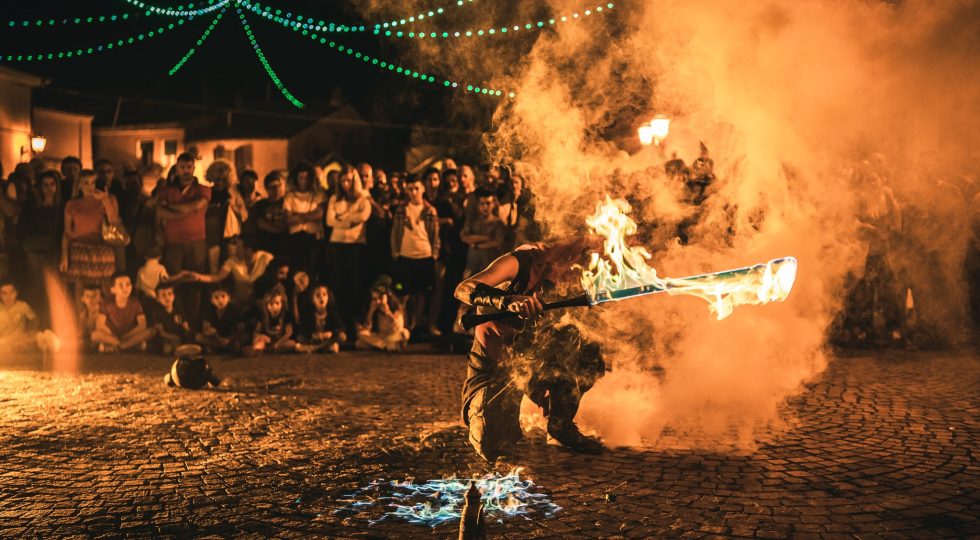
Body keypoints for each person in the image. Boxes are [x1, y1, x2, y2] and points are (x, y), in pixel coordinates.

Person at [454, 238, 606, 460]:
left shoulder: (577, 275)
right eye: (581, 249)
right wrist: (508, 300)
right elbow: (463, 288)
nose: (585, 256)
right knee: (491, 444)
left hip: (534, 365)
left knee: (588, 344)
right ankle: (489, 414)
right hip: (497, 371)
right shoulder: (519, 263)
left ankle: (560, 424)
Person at [156, 152, 211, 327]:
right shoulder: (165, 191)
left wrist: (171, 207)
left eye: (189, 167)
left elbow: (197, 205)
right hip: (173, 243)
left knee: (194, 283)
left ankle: (193, 325)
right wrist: (189, 210)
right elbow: (160, 213)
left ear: (194, 168)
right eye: (182, 167)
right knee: (174, 283)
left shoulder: (204, 189)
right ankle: (179, 323)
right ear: (177, 168)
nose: (186, 170)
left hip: (197, 242)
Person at [325, 165, 372, 338]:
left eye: (350, 181)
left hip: (355, 245)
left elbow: (363, 217)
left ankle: (354, 323)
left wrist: (342, 218)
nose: (346, 184)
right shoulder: (334, 199)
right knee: (338, 284)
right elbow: (329, 221)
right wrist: (349, 221)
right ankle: (341, 324)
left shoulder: (363, 199)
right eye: (343, 181)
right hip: (337, 244)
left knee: (354, 284)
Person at [390, 175, 440, 334]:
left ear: (423, 189)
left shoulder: (429, 210)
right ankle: (407, 325)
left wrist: (434, 254)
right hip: (405, 255)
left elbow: (435, 234)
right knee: (404, 294)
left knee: (422, 293)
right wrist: (395, 252)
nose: (414, 192)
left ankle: (419, 325)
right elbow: (395, 232)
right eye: (410, 189)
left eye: (417, 188)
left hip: (424, 255)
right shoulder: (401, 209)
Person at [61, 169, 121, 295]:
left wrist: (105, 200)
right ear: (79, 185)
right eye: (86, 183)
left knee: (107, 288)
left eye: (93, 182)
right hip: (79, 249)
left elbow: (114, 222)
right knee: (80, 289)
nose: (90, 187)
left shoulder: (108, 199)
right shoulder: (72, 204)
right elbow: (67, 232)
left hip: (102, 248)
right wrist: (64, 256)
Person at [91, 271, 155, 352]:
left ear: (131, 286)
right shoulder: (106, 303)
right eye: (121, 285)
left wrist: (126, 337)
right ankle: (126, 345)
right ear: (113, 289)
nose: (125, 288)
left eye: (128, 284)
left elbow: (142, 325)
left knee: (151, 331)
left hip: (129, 336)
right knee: (95, 335)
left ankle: (121, 346)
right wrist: (113, 335)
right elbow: (100, 324)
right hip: (112, 336)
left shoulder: (135, 303)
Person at [203, 159, 249, 274]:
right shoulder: (207, 193)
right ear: (212, 177)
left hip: (230, 238)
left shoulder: (233, 194)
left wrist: (233, 206)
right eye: (217, 179)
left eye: (223, 180)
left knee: (230, 268)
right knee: (213, 269)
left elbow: (244, 216)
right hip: (212, 238)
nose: (220, 183)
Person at [283, 161, 325, 279]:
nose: (304, 181)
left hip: (313, 237)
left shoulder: (318, 195)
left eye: (306, 178)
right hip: (295, 238)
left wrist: (297, 214)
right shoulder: (290, 196)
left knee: (312, 271)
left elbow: (319, 214)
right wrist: (309, 215)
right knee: (296, 271)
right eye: (301, 178)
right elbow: (288, 219)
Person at [461, 188, 505, 277]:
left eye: (488, 203)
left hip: (490, 268)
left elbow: (497, 242)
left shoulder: (498, 222)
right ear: (478, 205)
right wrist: (485, 238)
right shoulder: (472, 221)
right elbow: (464, 237)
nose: (485, 206)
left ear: (493, 204)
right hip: (472, 266)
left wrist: (477, 245)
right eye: (482, 203)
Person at [356, 277, 409, 352]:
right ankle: (385, 346)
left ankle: (382, 346)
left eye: (380, 298)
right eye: (375, 299)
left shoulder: (395, 306)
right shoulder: (372, 307)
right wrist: (371, 311)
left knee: (405, 333)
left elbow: (398, 327)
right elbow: (366, 329)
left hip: (393, 335)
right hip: (381, 337)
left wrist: (388, 312)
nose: (378, 301)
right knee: (360, 340)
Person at [244, 285, 299, 355]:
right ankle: (256, 349)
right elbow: (256, 331)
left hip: (280, 340)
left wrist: (278, 343)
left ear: (282, 303)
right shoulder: (263, 316)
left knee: (292, 343)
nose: (274, 307)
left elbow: (289, 333)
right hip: (267, 339)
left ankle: (268, 350)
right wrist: (257, 338)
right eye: (271, 304)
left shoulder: (286, 315)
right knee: (261, 341)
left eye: (277, 303)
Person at [245, 170, 289, 259]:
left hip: (286, 246)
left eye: (278, 186)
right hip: (266, 245)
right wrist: (282, 229)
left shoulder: (289, 202)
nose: (276, 190)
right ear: (267, 189)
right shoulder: (260, 204)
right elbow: (262, 224)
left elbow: (290, 222)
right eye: (272, 187)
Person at [196, 285, 248, 354]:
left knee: (245, 336)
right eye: (216, 297)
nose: (220, 300)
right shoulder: (209, 310)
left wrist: (229, 339)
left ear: (229, 298)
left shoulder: (234, 309)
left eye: (223, 296)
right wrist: (211, 332)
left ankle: (219, 348)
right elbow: (205, 328)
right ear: (211, 301)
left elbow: (241, 329)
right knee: (198, 337)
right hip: (216, 338)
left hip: (230, 337)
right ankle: (226, 348)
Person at [296, 284, 345, 354]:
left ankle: (315, 348)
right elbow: (303, 329)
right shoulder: (309, 314)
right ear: (312, 299)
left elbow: (341, 327)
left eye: (324, 295)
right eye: (318, 295)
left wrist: (331, 333)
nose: (322, 297)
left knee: (342, 337)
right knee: (300, 337)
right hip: (313, 340)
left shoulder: (332, 313)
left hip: (327, 340)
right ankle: (321, 348)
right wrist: (313, 335)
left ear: (328, 297)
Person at [148, 283, 192, 355]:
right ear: (158, 299)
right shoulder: (157, 312)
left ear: (174, 296)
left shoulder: (179, 311)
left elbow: (186, 327)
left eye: (169, 294)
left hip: (179, 336)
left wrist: (185, 330)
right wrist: (173, 337)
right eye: (163, 295)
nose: (167, 297)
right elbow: (161, 332)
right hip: (167, 337)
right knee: (166, 347)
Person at [0, 279, 42, 351]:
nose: (9, 296)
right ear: (0, 295)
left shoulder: (22, 306)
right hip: (2, 341)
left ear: (16, 293)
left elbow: (35, 319)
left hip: (18, 341)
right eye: (4, 293)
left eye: (12, 292)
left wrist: (31, 330)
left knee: (39, 336)